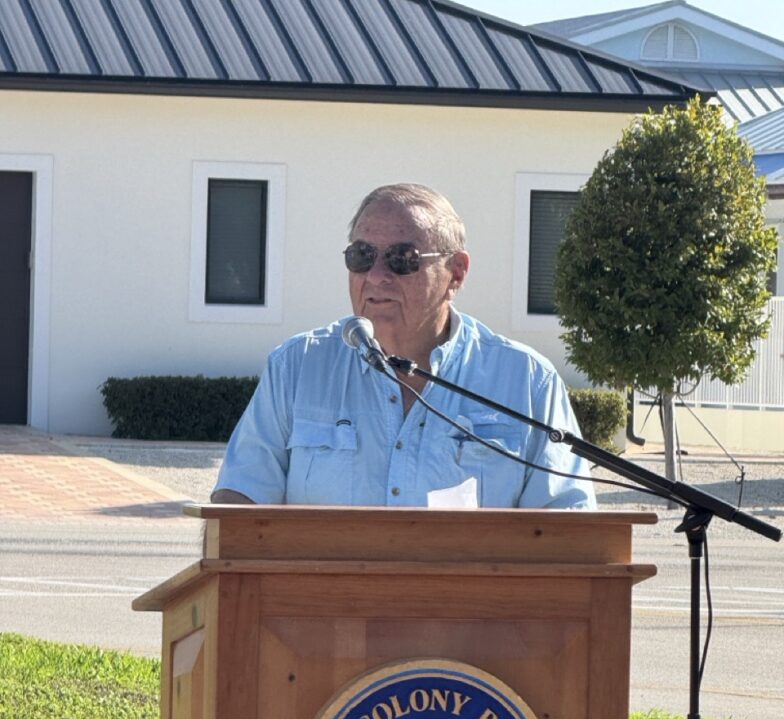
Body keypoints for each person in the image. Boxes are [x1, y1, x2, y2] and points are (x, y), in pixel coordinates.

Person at [212, 183, 595, 509]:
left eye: (402, 259)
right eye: (362, 256)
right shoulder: (296, 368)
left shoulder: (526, 382)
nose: (376, 276)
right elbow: (240, 505)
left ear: (456, 273)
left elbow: (569, 530)